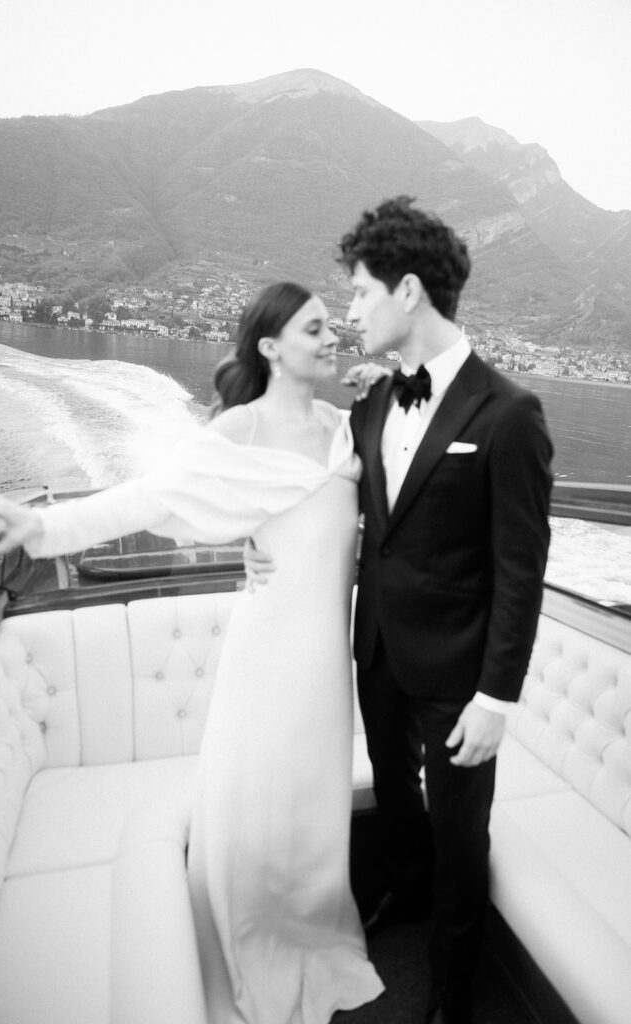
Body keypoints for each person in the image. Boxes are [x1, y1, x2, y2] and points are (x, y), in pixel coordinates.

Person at [0, 281, 385, 1024]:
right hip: (268, 656)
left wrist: (397, 383)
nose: (330, 340)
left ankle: (312, 934)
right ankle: (253, 941)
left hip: (326, 662)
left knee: (316, 806)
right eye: (315, 329)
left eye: (329, 328)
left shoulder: (345, 427)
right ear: (270, 347)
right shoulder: (235, 436)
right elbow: (142, 502)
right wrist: (34, 527)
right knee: (258, 805)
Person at [246, 198, 554, 1024]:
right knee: (394, 793)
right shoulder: (374, 405)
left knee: (462, 834)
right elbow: (327, 496)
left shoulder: (509, 414)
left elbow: (521, 567)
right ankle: (408, 899)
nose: (348, 313)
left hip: (460, 676)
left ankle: (453, 984)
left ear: (407, 291)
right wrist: (257, 535)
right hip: (376, 651)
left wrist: (498, 696)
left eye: (358, 293)